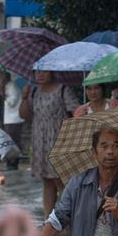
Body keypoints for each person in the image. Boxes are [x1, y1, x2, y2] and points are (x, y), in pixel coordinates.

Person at [20, 70, 79, 220]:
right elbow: (25, 115)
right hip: (40, 141)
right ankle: (49, 219)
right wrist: (24, 97)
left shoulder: (63, 89)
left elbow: (76, 112)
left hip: (59, 139)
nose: (40, 75)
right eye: (37, 72)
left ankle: (70, 217)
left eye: (44, 71)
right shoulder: (34, 91)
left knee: (60, 180)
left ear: (52, 72)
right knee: (47, 180)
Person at [0, 69, 24, 170]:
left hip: (14, 119)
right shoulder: (6, 87)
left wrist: (4, 96)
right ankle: (9, 163)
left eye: (1, 76)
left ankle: (13, 163)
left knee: (13, 142)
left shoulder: (12, 86)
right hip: (7, 119)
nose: (0, 79)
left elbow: (12, 102)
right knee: (8, 142)